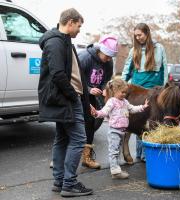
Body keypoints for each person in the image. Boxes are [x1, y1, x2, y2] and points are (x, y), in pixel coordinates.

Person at [38, 8, 93, 197]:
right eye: (78, 25)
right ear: (70, 22)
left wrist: (85, 99)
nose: (79, 30)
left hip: (70, 98)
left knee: (62, 138)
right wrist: (72, 95)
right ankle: (69, 183)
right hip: (66, 99)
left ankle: (60, 181)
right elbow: (58, 74)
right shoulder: (55, 42)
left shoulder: (64, 41)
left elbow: (73, 74)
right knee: (78, 140)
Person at [121, 23, 168, 162]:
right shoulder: (133, 51)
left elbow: (164, 69)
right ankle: (140, 155)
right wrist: (120, 88)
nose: (138, 38)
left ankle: (149, 153)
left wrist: (165, 88)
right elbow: (126, 71)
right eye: (135, 36)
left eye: (140, 35)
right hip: (138, 90)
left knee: (153, 121)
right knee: (138, 119)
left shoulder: (159, 48)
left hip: (154, 90)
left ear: (147, 33)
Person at [90, 79, 149, 179]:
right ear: (115, 91)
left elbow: (133, 109)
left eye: (125, 92)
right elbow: (104, 112)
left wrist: (143, 107)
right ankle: (115, 171)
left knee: (117, 150)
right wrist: (97, 113)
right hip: (114, 131)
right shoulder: (111, 102)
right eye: (122, 92)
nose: (124, 94)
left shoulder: (125, 102)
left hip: (122, 131)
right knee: (114, 151)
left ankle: (116, 168)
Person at [78, 35, 118, 169]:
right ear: (100, 51)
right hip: (77, 94)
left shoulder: (108, 62)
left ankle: (86, 158)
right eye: (107, 56)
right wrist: (89, 89)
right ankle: (59, 158)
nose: (108, 59)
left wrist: (104, 88)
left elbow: (106, 78)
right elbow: (74, 78)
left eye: (110, 57)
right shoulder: (85, 58)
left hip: (92, 97)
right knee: (71, 124)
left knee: (90, 123)